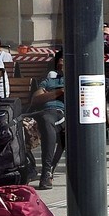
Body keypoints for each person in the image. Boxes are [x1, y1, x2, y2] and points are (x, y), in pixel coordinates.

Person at [26, 48, 65, 191]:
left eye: (64, 60)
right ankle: (27, 168)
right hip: (40, 112)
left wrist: (48, 94)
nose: (61, 63)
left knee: (48, 121)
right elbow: (36, 99)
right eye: (60, 60)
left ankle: (46, 172)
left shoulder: (73, 79)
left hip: (59, 114)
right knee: (17, 124)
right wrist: (59, 92)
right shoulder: (48, 80)